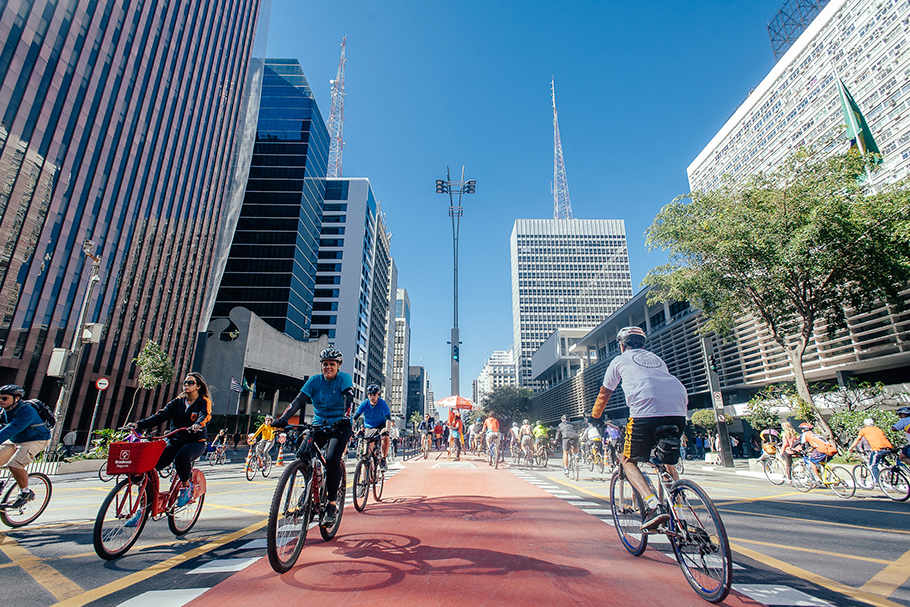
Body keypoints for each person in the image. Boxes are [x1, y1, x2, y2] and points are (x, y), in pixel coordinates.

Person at [590, 326, 688, 530]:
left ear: (621, 345)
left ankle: (654, 506)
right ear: (643, 345)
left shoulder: (619, 360)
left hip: (645, 413)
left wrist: (595, 416)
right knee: (667, 458)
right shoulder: (656, 359)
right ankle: (679, 506)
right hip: (678, 409)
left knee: (627, 461)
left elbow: (605, 392)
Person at [270, 348, 354, 527]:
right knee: (302, 455)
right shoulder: (315, 381)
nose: (328, 367)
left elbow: (348, 398)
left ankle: (331, 504)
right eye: (325, 364)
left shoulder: (344, 378)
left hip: (340, 425)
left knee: (331, 459)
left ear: (338, 366)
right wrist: (283, 418)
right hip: (319, 424)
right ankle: (309, 490)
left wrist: (346, 417)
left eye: (332, 364)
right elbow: (298, 400)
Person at [128, 372, 212, 512]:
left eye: (191, 383)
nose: (186, 385)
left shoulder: (203, 401)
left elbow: (205, 415)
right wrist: (138, 424)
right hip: (175, 440)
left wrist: (198, 424)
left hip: (195, 441)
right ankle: (145, 506)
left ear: (198, 386)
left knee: (181, 458)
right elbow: (160, 416)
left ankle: (186, 487)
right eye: (185, 383)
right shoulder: (177, 402)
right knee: (151, 468)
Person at [0, 385, 51, 508]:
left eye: (4, 398)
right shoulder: (4, 411)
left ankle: (25, 492)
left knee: (15, 465)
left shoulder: (27, 411)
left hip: (36, 440)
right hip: (15, 439)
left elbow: (11, 429)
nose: (1, 401)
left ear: (16, 399)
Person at [354, 384, 392, 470]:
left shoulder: (382, 403)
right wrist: (351, 430)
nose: (372, 397)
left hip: (381, 425)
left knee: (385, 436)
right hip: (369, 427)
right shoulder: (365, 403)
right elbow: (354, 418)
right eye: (370, 395)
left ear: (378, 395)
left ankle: (383, 459)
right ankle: (365, 475)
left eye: (374, 394)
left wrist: (387, 430)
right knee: (367, 452)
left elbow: (388, 418)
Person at [847, 418, 893, 484]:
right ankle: (892, 469)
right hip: (888, 448)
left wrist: (851, 447)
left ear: (865, 424)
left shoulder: (864, 430)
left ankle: (877, 482)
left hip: (878, 449)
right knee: (884, 462)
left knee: (872, 466)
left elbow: (857, 440)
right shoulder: (878, 429)